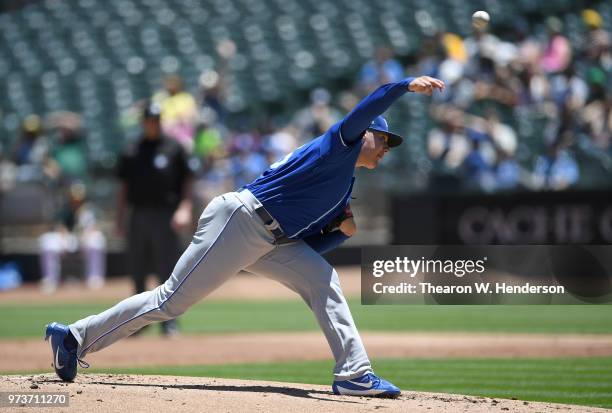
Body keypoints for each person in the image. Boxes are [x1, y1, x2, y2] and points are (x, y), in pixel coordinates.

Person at [45, 75, 445, 398]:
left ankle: (354, 374)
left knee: (321, 277)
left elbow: (306, 251)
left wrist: (339, 233)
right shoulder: (339, 145)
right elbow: (367, 106)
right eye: (385, 139)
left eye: (392, 143)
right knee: (170, 301)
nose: (388, 148)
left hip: (267, 238)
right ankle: (75, 338)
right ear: (364, 134)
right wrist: (404, 86)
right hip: (240, 219)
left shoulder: (342, 188)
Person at [115, 102, 194, 336]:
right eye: (149, 119)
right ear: (143, 122)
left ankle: (168, 322)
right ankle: (137, 323)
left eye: (157, 119)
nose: (153, 123)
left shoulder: (174, 148)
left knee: (167, 270)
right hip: (138, 214)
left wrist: (185, 208)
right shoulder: (132, 150)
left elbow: (187, 181)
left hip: (165, 214)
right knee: (138, 270)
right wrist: (119, 219)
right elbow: (123, 188)